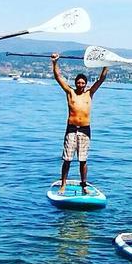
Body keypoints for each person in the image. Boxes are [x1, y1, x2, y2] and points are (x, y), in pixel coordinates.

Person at [51, 54, 108, 194]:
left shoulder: (90, 93)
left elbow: (101, 79)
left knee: (83, 160)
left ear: (86, 84)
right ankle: (63, 184)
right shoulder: (70, 93)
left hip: (85, 130)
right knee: (67, 159)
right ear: (76, 83)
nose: (80, 85)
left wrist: (106, 64)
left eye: (83, 83)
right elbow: (58, 77)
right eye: (79, 82)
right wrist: (55, 62)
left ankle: (84, 186)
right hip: (71, 129)